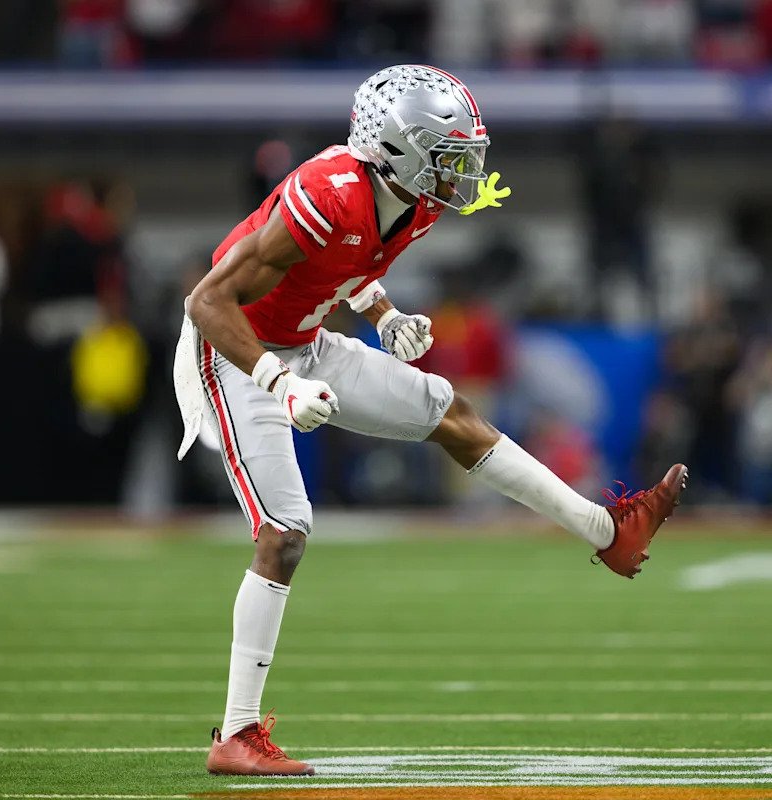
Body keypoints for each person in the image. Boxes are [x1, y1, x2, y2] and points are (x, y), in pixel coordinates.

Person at [174, 65, 689, 777]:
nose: (464, 171)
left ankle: (610, 532)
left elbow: (346, 263)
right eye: (449, 155)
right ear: (397, 147)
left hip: (305, 339)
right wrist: (277, 382)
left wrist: (384, 314)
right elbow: (208, 301)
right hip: (234, 351)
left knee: (451, 412)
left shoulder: (413, 201)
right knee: (285, 532)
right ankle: (236, 735)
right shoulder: (327, 194)